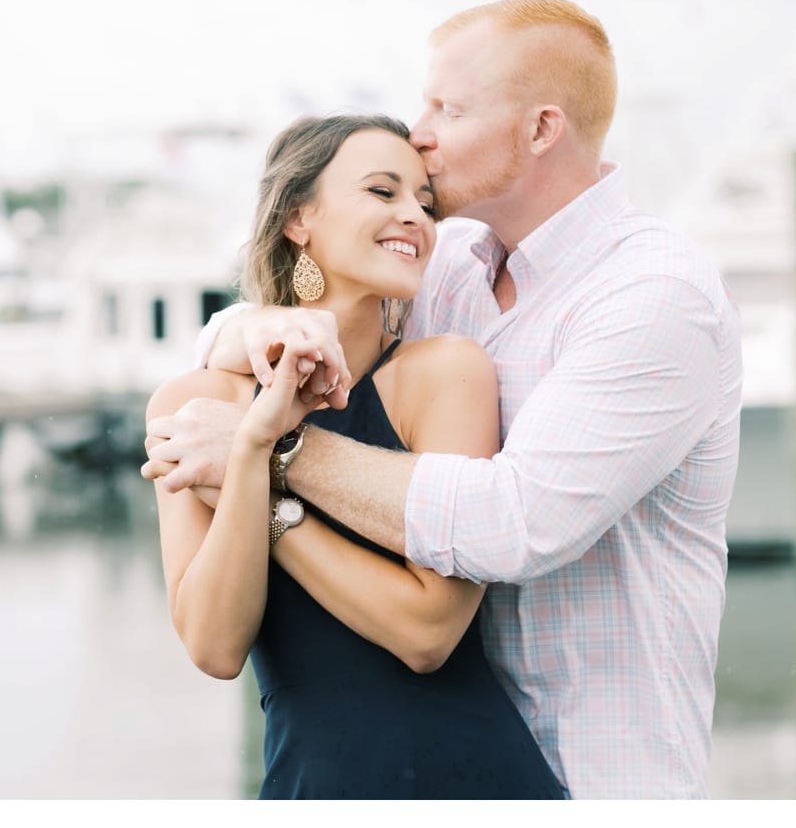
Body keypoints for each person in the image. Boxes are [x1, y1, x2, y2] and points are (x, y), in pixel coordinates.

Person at [143, 0, 744, 799]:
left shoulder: (651, 295)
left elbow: (512, 523)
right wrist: (243, 330)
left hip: (600, 781)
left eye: (447, 108)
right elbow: (299, 319)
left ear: (540, 129)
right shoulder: (451, 267)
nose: (419, 130)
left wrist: (267, 455)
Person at [146, 112, 565, 800]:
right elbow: (215, 647)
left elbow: (428, 633)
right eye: (382, 191)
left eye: (424, 203)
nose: (416, 218)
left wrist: (264, 484)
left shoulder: (447, 374)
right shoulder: (195, 406)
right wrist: (250, 444)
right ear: (297, 218)